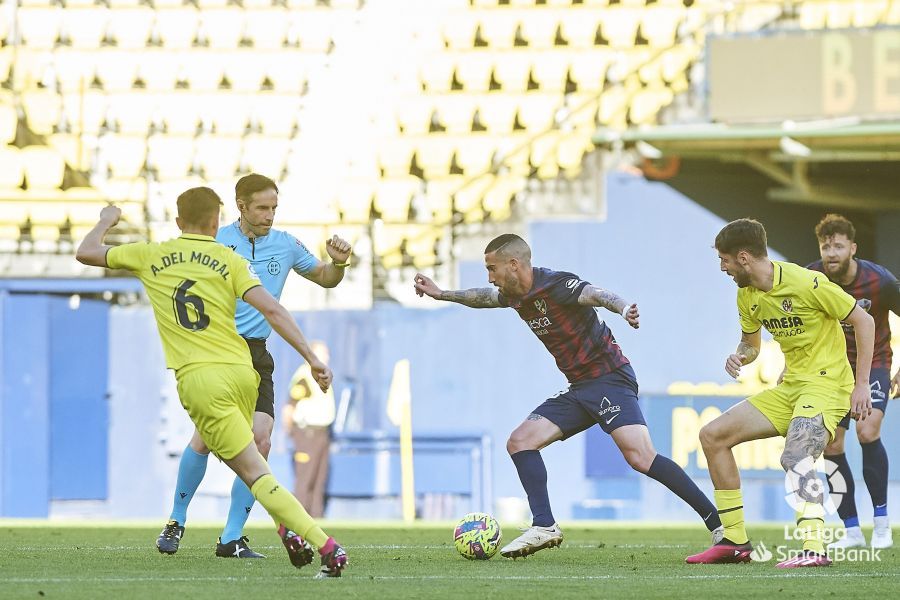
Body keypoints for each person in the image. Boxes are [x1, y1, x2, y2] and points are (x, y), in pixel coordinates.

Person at [75, 188, 348, 578]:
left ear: (177, 221)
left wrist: (107, 220)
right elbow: (272, 307)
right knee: (252, 450)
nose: (269, 214)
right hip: (242, 369)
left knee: (254, 469)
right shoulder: (228, 257)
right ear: (219, 220)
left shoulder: (151, 253)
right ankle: (239, 526)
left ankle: (319, 542)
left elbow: (86, 252)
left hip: (202, 377)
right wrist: (312, 357)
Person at [413, 233, 724, 558]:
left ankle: (718, 524)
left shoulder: (555, 284)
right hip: (580, 388)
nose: (490, 277)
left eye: (493, 269)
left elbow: (594, 293)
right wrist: (441, 294)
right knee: (520, 441)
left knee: (641, 458)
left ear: (514, 265)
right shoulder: (513, 294)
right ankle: (544, 525)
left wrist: (623, 308)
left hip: (609, 380)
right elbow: (483, 297)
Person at [154, 173, 352, 559]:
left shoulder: (286, 245)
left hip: (257, 355)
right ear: (240, 206)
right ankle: (176, 520)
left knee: (260, 442)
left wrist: (338, 264)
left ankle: (231, 537)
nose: (270, 215)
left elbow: (326, 278)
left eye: (274, 207)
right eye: (262, 207)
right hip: (219, 350)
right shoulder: (216, 242)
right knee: (205, 440)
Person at [687, 218, 874, 568]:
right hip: (791, 387)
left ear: (743, 258)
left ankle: (814, 548)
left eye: (724, 260)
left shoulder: (808, 282)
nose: (722, 268)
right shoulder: (747, 295)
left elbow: (865, 321)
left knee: (795, 454)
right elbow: (752, 345)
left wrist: (861, 384)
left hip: (828, 385)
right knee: (712, 436)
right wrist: (740, 355)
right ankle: (735, 542)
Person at [807, 214, 900, 550]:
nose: (831, 252)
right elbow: (800, 325)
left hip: (874, 364)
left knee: (868, 431)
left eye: (838, 245)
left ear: (853, 248)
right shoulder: (812, 277)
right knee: (831, 445)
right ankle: (851, 531)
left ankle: (882, 525)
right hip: (833, 370)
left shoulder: (880, 281)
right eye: (825, 246)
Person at [283, 341, 336, 518]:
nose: (327, 357)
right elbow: (289, 407)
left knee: (319, 478)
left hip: (322, 433)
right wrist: (292, 433)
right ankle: (299, 518)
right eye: (323, 353)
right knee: (305, 478)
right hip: (307, 433)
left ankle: (316, 516)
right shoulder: (305, 376)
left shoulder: (322, 374)